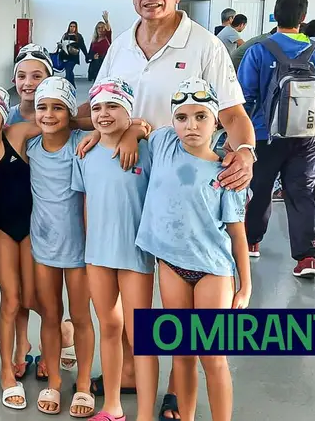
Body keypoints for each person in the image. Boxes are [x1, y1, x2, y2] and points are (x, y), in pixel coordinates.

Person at [78, 0, 256, 420]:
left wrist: (246, 153)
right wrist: (99, 128)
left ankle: (179, 390)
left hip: (182, 185)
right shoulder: (118, 45)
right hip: (128, 179)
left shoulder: (204, 46)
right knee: (143, 285)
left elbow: (234, 113)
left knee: (178, 281)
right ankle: (137, 372)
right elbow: (102, 99)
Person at [136, 78, 250, 421]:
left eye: (201, 116)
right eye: (182, 117)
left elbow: (237, 233)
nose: (191, 126)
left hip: (213, 270)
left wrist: (246, 284)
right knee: (181, 353)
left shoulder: (227, 173)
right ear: (172, 122)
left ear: (216, 121)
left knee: (212, 356)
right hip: (172, 265)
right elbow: (136, 129)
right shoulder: (163, 142)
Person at [238, 0, 315, 278]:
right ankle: (306, 259)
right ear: (304, 19)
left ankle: (252, 241)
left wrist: (241, 137)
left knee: (259, 189)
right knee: (303, 193)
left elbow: (245, 96)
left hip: (264, 136)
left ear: (276, 14)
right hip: (307, 136)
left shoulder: (258, 49)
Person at [72, 78, 157, 421]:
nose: (104, 115)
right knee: (109, 326)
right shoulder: (86, 152)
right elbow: (86, 204)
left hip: (135, 256)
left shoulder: (148, 151)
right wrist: (88, 248)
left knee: (142, 336)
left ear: (129, 110)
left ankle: (146, 413)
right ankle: (112, 406)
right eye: (96, 108)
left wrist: (135, 130)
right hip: (98, 255)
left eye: (112, 107)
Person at [0, 84, 48, 410]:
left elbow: (63, 121)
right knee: (11, 299)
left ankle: (51, 338)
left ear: (4, 119)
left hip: (32, 228)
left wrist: (128, 128)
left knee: (31, 297)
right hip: (2, 228)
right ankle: (7, 370)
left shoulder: (16, 135)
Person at [27, 76, 96, 417]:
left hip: (80, 251)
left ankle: (82, 383)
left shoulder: (84, 143)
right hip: (44, 248)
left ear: (70, 113)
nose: (49, 115)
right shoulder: (31, 147)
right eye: (43, 108)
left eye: (58, 108)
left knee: (81, 316)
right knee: (50, 316)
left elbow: (110, 126)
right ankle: (54, 379)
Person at [58, 21, 89, 85]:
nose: (72, 28)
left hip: (73, 57)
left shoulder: (78, 36)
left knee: (69, 70)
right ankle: (72, 85)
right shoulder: (65, 35)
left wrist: (87, 55)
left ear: (76, 27)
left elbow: (82, 46)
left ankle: (69, 85)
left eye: (74, 26)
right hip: (65, 56)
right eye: (71, 26)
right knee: (68, 71)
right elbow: (62, 44)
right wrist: (60, 46)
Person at [86, 11, 113, 81]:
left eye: (102, 27)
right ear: (96, 29)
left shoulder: (107, 38)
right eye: (99, 28)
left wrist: (106, 21)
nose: (100, 29)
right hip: (95, 65)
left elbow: (109, 30)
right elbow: (89, 54)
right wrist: (93, 56)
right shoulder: (94, 41)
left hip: (104, 64)